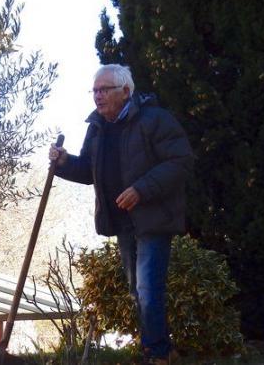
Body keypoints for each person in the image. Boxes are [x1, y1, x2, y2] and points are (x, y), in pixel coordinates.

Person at [49, 64, 194, 365]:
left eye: (104, 90)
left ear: (125, 92)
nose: (98, 96)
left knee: (147, 288)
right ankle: (158, 349)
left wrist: (141, 189)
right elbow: (90, 171)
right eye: (95, 91)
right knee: (137, 290)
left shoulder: (155, 120)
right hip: (123, 222)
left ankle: (158, 354)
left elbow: (180, 162)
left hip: (154, 218)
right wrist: (64, 163)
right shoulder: (98, 128)